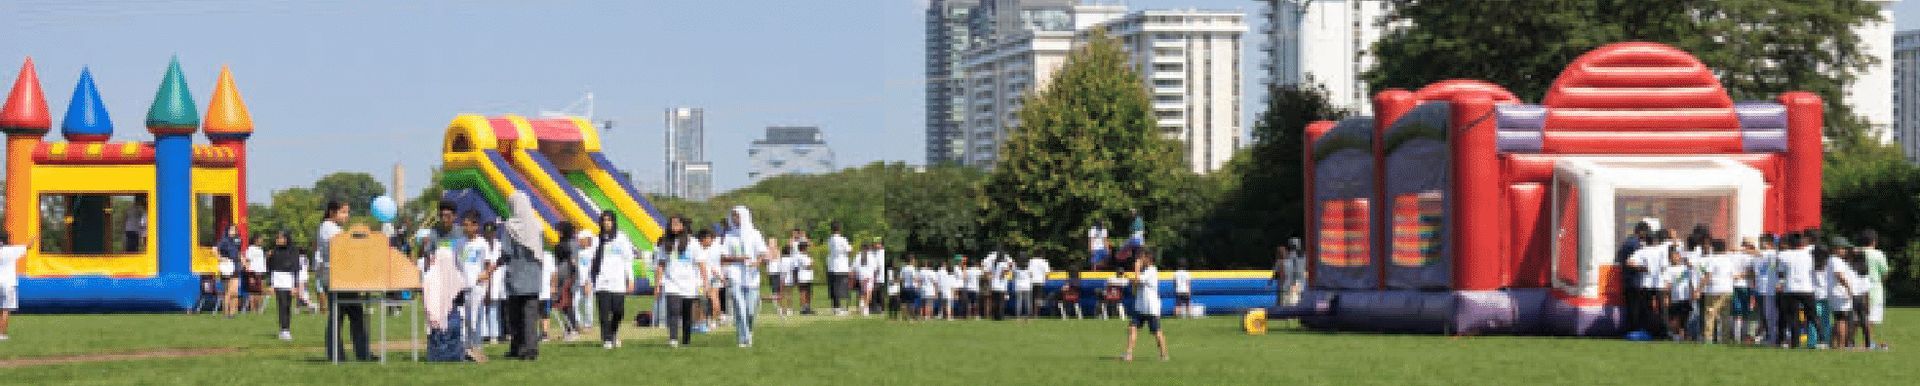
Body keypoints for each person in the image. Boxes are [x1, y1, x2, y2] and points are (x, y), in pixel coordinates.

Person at [318, 201, 371, 362]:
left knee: (356, 315)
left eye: (348, 212)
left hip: (345, 277)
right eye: (343, 212)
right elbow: (342, 244)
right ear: (332, 212)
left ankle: (362, 353)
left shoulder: (337, 228)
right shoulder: (328, 227)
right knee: (337, 317)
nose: (346, 216)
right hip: (336, 277)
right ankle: (337, 355)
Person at [499, 193, 548, 360]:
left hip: (516, 276)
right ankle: (531, 350)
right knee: (530, 317)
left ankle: (518, 348)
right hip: (533, 278)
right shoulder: (537, 225)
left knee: (515, 317)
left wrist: (493, 266)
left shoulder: (510, 227)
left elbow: (506, 252)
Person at [722, 206, 768, 348]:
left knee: (750, 310)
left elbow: (762, 253)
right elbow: (723, 257)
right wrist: (738, 259)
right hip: (735, 276)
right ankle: (743, 338)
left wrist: (757, 262)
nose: (735, 219)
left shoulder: (755, 234)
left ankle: (749, 330)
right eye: (733, 216)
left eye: (738, 216)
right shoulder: (729, 236)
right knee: (739, 307)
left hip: (752, 277)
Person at [587, 212, 635, 349]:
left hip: (618, 281)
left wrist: (630, 279)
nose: (606, 223)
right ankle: (607, 339)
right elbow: (592, 262)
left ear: (614, 222)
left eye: (609, 220)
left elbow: (628, 259)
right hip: (602, 280)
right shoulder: (597, 240)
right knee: (604, 312)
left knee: (618, 311)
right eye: (604, 220)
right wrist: (589, 281)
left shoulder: (622, 238)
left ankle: (613, 333)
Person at [1122, 251, 1168, 362]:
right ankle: (1128, 354)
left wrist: (1136, 268)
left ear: (1149, 259)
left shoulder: (1152, 270)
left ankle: (1164, 354)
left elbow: (1138, 279)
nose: (1141, 260)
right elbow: (1137, 283)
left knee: (1156, 331)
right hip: (1140, 307)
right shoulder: (1145, 271)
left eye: (1143, 258)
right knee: (1132, 328)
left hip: (1151, 308)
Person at [659, 225, 700, 348]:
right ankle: (673, 338)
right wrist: (658, 283)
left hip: (689, 282)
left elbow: (701, 263)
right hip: (671, 282)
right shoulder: (667, 242)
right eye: (673, 224)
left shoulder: (693, 243)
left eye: (677, 224)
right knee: (674, 310)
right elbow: (661, 263)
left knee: (687, 313)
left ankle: (686, 339)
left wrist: (704, 282)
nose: (675, 227)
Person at [1777, 232, 1817, 348]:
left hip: (1790, 289)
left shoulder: (1784, 255)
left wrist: (1780, 284)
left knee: (1792, 317)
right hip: (1806, 288)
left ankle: (1795, 343)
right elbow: (1813, 271)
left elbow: (1780, 273)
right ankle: (1822, 339)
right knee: (1812, 315)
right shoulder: (1809, 255)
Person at [0, 229, 37, 341]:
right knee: (6, 310)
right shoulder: (12, 251)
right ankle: (2, 334)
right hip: (9, 283)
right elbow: (28, 246)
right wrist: (34, 237)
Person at [266, 231, 301, 341]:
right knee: (282, 304)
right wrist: (270, 284)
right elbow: (270, 269)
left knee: (288, 305)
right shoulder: (273, 252)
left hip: (289, 280)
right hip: (278, 279)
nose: (278, 240)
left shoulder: (293, 251)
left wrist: (295, 285)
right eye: (277, 238)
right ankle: (284, 329)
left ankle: (286, 328)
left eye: (281, 238)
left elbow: (295, 268)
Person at [1698, 240, 1734, 344]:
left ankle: (1709, 339)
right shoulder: (1729, 260)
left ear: (1713, 248)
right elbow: (1732, 274)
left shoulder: (1712, 259)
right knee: (1725, 316)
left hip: (1713, 290)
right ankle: (1725, 339)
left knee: (1710, 314)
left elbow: (1708, 276)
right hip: (1727, 290)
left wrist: (1699, 289)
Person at [1750, 236, 1780, 345]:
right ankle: (1768, 335)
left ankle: (1773, 337)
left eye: (1764, 242)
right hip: (1761, 289)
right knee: (1764, 314)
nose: (1763, 244)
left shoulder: (1772, 253)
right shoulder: (1759, 256)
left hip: (1770, 289)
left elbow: (1772, 268)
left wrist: (1741, 250)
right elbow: (1754, 272)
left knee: (1771, 314)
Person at [1858, 230, 1889, 330]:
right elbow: (1885, 272)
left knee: (1854, 317)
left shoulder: (1856, 252)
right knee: (1871, 318)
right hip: (1874, 287)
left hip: (1857, 287)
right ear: (1874, 241)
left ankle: (1847, 341)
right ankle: (1867, 343)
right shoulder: (1878, 254)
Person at [825, 224, 852, 316]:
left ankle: (834, 307)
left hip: (832, 266)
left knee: (833, 287)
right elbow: (849, 250)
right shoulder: (842, 239)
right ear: (840, 229)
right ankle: (838, 308)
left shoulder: (830, 240)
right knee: (839, 288)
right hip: (841, 267)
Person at [217, 225, 243, 318]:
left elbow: (239, 252)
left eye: (234, 230)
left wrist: (243, 260)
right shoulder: (224, 241)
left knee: (234, 291)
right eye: (231, 229)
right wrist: (220, 258)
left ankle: (232, 313)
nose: (232, 231)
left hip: (236, 266)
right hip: (227, 267)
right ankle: (225, 312)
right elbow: (215, 250)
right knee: (227, 291)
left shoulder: (238, 240)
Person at [245, 233, 268, 314]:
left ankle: (259, 309)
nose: (262, 241)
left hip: (261, 272)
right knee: (253, 292)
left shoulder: (261, 249)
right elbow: (247, 261)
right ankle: (253, 309)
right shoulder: (250, 249)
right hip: (253, 272)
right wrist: (250, 274)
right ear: (256, 240)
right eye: (260, 239)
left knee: (261, 291)